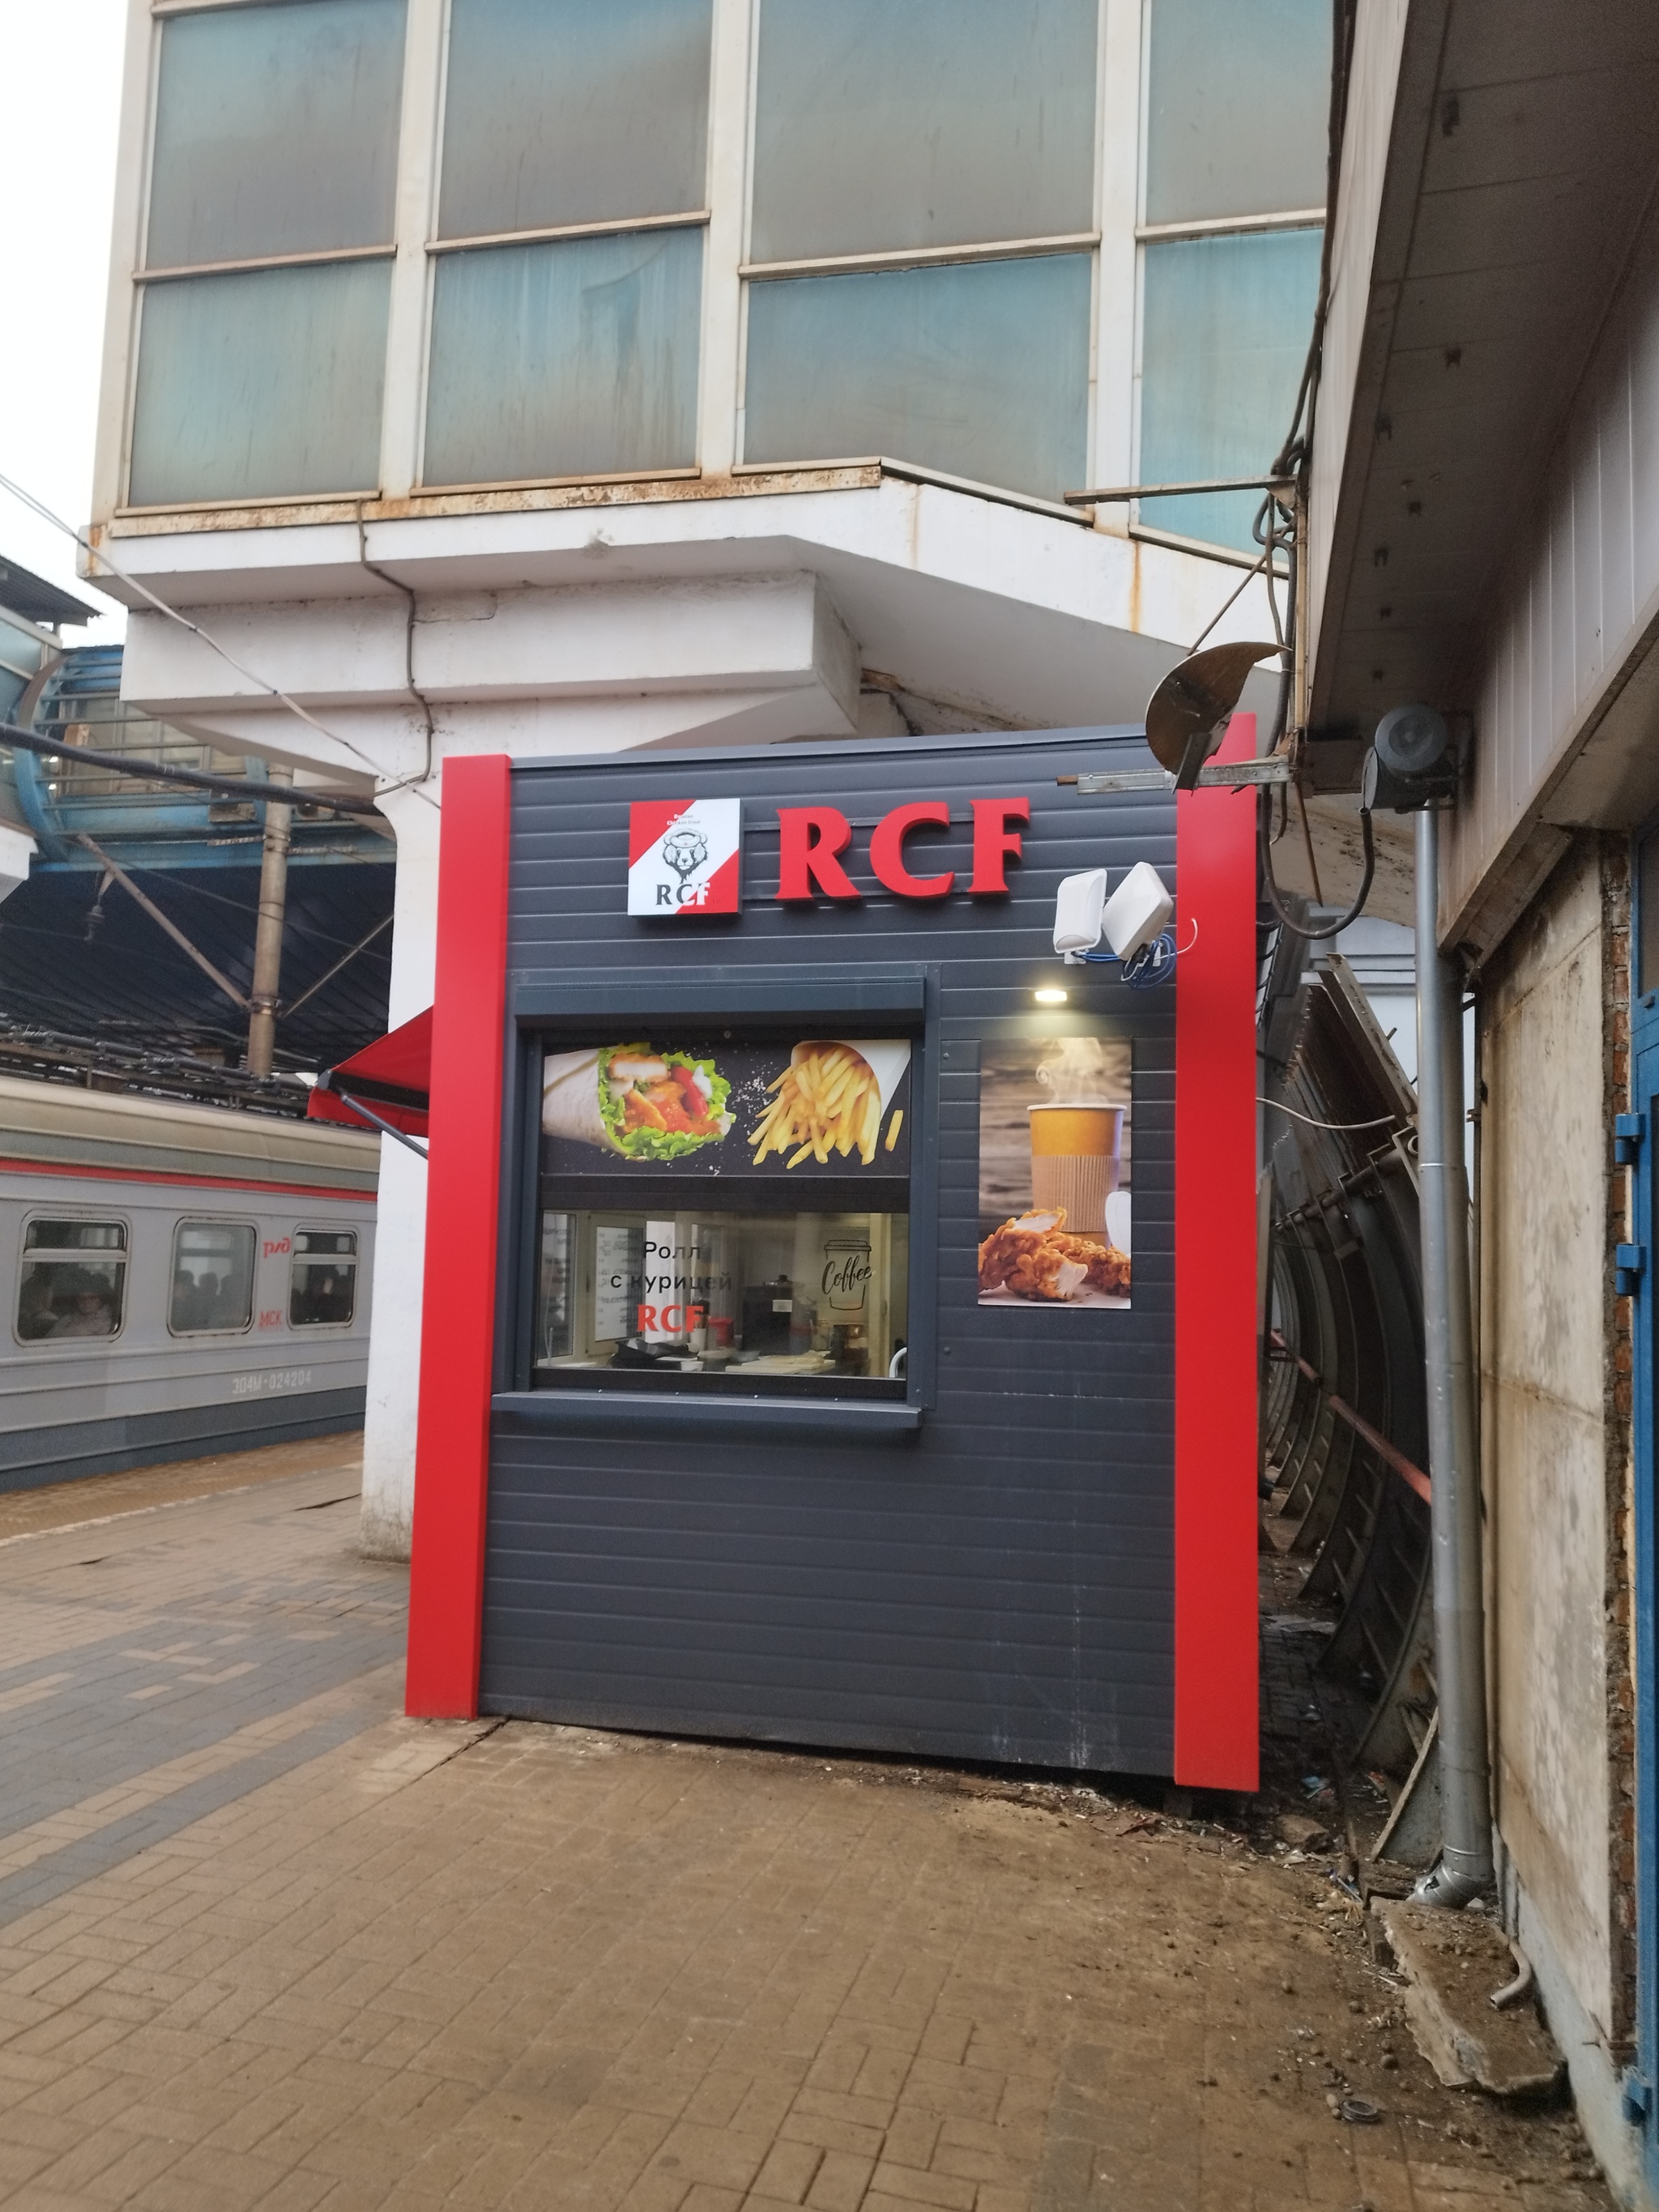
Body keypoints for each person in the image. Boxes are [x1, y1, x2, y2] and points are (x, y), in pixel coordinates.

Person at [49, 1269, 115, 1337]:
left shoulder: (110, 1324)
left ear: (102, 1299)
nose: (86, 1302)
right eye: (81, 1298)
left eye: (92, 1298)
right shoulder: (66, 1320)